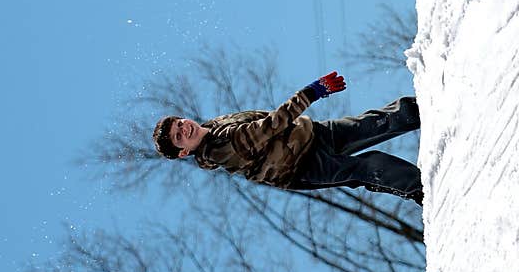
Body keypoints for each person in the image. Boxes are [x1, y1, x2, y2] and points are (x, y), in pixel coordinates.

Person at [152, 71, 423, 205]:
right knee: (365, 167)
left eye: (180, 122)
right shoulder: (218, 150)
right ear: (183, 152)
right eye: (179, 136)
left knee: (371, 124)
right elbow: (266, 128)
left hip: (311, 134)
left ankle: (420, 108)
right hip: (301, 166)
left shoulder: (217, 125)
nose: (184, 128)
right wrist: (311, 93)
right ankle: (419, 188)